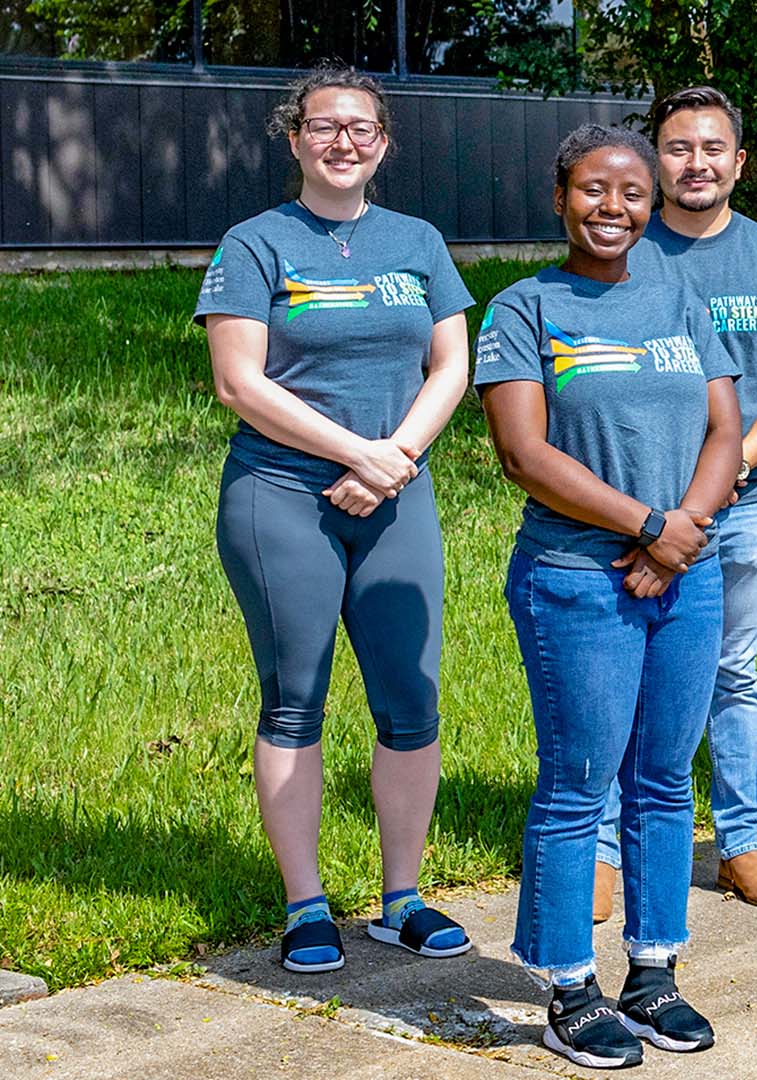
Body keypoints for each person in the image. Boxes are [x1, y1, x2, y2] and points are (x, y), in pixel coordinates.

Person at [195, 66, 474, 975]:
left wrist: (391, 459)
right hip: (282, 497)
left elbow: (451, 366)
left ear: (383, 143)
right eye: (324, 127)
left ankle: (403, 899)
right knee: (294, 698)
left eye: (361, 128)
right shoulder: (255, 243)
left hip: (396, 495)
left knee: (411, 698)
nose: (343, 142)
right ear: (295, 140)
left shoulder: (418, 241)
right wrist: (359, 454)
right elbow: (240, 382)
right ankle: (305, 904)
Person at [475, 123, 742, 1067]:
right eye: (593, 191)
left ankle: (653, 970)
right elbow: (524, 455)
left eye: (631, 193)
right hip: (577, 580)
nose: (613, 209)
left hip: (685, 574)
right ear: (561, 198)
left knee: (666, 779)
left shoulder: (682, 296)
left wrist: (682, 536)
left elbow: (725, 433)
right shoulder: (523, 307)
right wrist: (646, 528)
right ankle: (566, 985)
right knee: (578, 783)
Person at [588, 86, 757, 917]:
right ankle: (607, 852)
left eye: (712, 148)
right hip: (632, 514)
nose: (697, 163)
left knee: (731, 673)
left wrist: (717, 484)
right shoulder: (622, 253)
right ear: (657, 158)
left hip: (745, 506)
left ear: (739, 162)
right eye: (679, 148)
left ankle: (741, 845)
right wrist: (661, 510)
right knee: (626, 677)